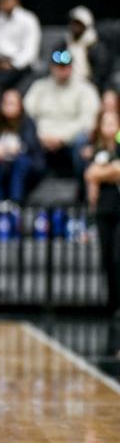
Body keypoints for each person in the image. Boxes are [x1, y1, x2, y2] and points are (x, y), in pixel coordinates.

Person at [23, 49, 100, 177]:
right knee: (25, 135)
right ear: (52, 67)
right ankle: (21, 192)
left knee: (83, 140)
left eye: (65, 66)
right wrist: (41, 135)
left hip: (70, 141)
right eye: (58, 67)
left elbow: (88, 120)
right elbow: (26, 114)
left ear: (71, 67)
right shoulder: (39, 87)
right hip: (41, 138)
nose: (62, 70)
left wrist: (62, 138)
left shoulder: (85, 89)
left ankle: (81, 187)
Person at [84, 109, 120, 314]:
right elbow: (90, 174)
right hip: (103, 209)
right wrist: (110, 172)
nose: (109, 127)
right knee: (106, 257)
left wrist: (101, 174)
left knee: (118, 255)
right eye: (105, 122)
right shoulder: (96, 149)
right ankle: (112, 303)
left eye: (113, 122)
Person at [0, 88, 44, 203]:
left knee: (21, 162)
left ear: (20, 106)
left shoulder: (27, 122)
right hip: (1, 162)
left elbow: (28, 146)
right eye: (6, 103)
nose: (8, 107)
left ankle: (16, 201)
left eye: (12, 104)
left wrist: (7, 150)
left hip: (26, 164)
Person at [0, 0, 40, 94]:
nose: (5, 4)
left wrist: (13, 64)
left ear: (16, 1)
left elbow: (30, 51)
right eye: (2, 2)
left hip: (22, 66)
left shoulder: (28, 19)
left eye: (7, 0)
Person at [54, 6, 113, 92]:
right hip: (65, 85)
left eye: (78, 24)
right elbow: (55, 63)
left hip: (90, 87)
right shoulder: (63, 44)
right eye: (73, 23)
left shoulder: (95, 46)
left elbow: (102, 73)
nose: (75, 26)